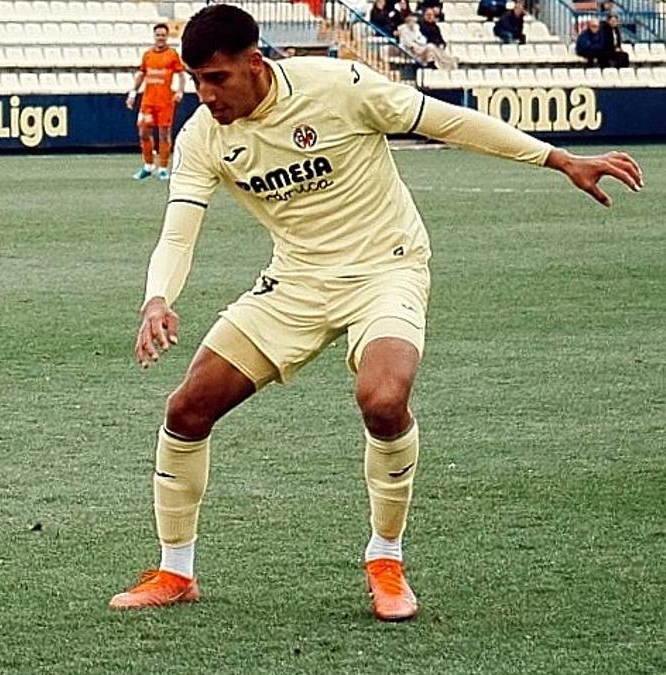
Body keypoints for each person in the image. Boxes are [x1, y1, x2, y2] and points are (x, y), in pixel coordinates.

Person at [108, 4, 642, 620]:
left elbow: (448, 122)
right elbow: (179, 232)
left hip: (385, 268)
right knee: (187, 408)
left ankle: (385, 560)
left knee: (384, 400)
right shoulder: (203, 134)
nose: (205, 94)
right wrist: (158, 298)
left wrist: (558, 158)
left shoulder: (338, 87)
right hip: (296, 282)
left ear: (255, 62)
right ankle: (176, 571)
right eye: (195, 79)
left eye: (216, 78)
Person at [127, 23, 186, 181]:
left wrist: (180, 91)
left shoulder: (172, 55)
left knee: (164, 134)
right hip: (148, 101)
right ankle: (148, 165)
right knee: (143, 132)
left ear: (167, 37)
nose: (160, 37)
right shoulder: (148, 55)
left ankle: (163, 168)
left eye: (163, 35)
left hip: (165, 101)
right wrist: (133, 94)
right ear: (154, 36)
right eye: (158, 35)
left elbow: (181, 75)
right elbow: (141, 75)